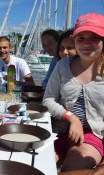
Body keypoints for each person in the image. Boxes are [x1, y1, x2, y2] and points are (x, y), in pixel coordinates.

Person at [43, 13, 104, 172]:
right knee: (40, 165)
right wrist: (72, 118)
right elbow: (48, 100)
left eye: (95, 37)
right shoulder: (63, 65)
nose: (87, 44)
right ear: (74, 39)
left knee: (71, 169)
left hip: (95, 135)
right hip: (63, 131)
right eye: (81, 38)